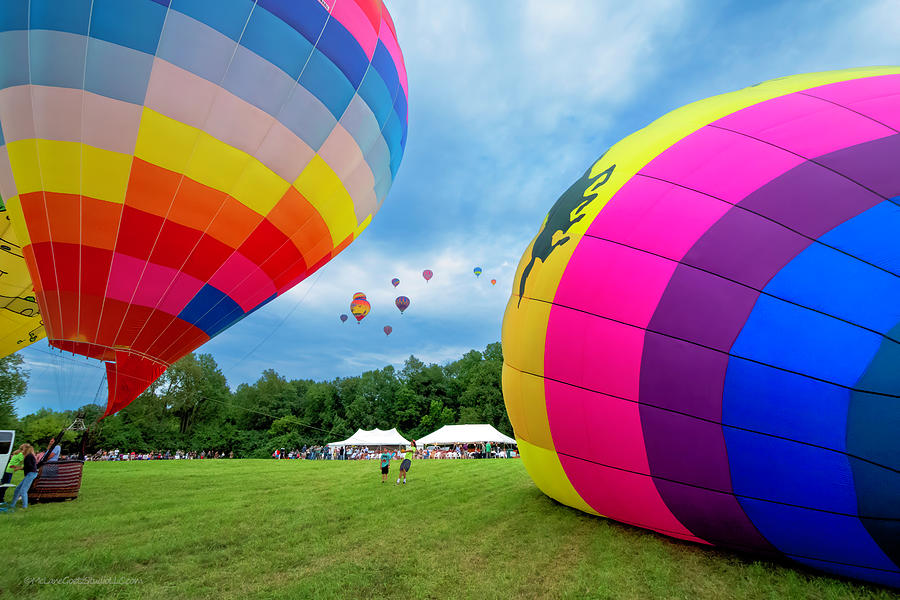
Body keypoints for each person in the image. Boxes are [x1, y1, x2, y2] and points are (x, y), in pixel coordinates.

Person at [9, 444, 38, 509]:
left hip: (31, 474)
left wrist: (19, 468)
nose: (21, 451)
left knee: (23, 490)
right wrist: (18, 467)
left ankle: (25, 507)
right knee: (17, 489)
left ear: (26, 449)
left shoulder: (29, 456)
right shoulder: (29, 456)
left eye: (22, 449)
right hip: (30, 474)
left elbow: (29, 467)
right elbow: (28, 467)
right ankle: (12, 505)